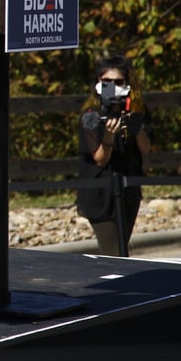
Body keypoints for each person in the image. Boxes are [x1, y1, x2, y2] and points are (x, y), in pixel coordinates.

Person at [77, 54, 152, 256]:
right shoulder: (91, 116)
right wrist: (109, 135)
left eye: (118, 82)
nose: (112, 86)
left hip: (128, 189)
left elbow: (145, 148)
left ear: (127, 84)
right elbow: (100, 159)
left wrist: (136, 126)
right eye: (106, 82)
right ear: (98, 83)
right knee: (113, 252)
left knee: (122, 249)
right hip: (100, 193)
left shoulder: (137, 110)